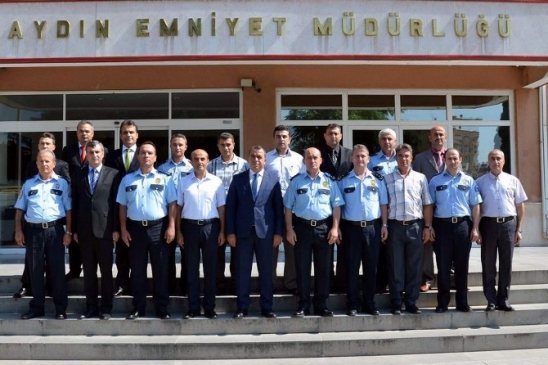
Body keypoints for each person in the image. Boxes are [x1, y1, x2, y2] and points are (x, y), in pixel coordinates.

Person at [116, 141, 176, 320]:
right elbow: (122, 206)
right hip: (135, 230)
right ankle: (138, 307)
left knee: (160, 270)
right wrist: (123, 228)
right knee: (137, 270)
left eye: (150, 153)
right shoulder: (127, 179)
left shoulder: (165, 178)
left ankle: (161, 307)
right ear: (138, 156)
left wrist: (172, 226)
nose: (146, 156)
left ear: (155, 157)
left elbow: (172, 204)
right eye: (143, 153)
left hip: (158, 228)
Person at [284, 147, 344, 317]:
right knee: (302, 268)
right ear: (304, 161)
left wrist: (335, 227)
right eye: (309, 158)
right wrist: (289, 229)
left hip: (323, 229)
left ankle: (321, 305)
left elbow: (336, 206)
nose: (312, 160)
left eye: (315, 157)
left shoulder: (329, 181)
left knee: (324, 269)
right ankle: (303, 305)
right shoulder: (296, 181)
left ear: (321, 160)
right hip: (301, 229)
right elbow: (287, 207)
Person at [226, 146, 283, 319]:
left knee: (266, 272)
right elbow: (230, 208)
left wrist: (278, 233)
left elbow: (278, 209)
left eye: (259, 157)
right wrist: (230, 232)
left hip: (266, 234)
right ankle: (242, 307)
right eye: (253, 156)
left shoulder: (273, 179)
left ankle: (267, 307)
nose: (256, 160)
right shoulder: (238, 179)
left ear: (265, 160)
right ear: (248, 158)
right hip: (242, 234)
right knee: (242, 272)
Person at [15, 150, 72, 320]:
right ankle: (37, 307)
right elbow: (20, 209)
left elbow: (69, 209)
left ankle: (60, 308)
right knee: (35, 270)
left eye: (48, 161)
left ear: (54, 164)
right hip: (33, 232)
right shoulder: (29, 184)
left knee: (57, 271)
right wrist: (18, 230)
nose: (45, 164)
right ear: (37, 164)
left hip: (55, 231)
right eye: (41, 161)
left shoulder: (62, 183)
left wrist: (68, 231)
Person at [72, 141, 122, 320]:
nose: (94, 155)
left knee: (107, 272)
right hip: (84, 232)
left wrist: (116, 228)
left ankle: (106, 308)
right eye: (91, 152)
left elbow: (117, 204)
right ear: (87, 154)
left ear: (103, 154)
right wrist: (74, 230)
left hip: (106, 230)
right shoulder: (78, 174)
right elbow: (75, 203)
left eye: (97, 152)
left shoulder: (114, 174)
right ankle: (91, 307)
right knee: (89, 272)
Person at [429, 148, 481, 313]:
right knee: (443, 265)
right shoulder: (435, 181)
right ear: (445, 160)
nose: (452, 161)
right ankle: (442, 303)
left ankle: (462, 302)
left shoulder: (469, 181)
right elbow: (429, 205)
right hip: (442, 226)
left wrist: (475, 228)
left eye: (455, 158)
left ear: (460, 160)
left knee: (461, 265)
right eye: (449, 158)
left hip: (462, 226)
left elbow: (476, 205)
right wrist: (428, 226)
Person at [338, 144, 388, 316]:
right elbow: (338, 206)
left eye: (363, 156)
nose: (360, 159)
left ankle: (369, 303)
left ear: (368, 159)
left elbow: (383, 205)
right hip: (351, 229)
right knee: (351, 268)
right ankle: (352, 303)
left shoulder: (378, 180)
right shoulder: (343, 180)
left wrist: (384, 225)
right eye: (357, 156)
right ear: (352, 159)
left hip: (372, 228)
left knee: (371, 268)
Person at [176, 149, 225, 320]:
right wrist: (178, 232)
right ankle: (193, 307)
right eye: (196, 159)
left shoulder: (216, 182)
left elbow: (221, 209)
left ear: (208, 160)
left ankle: (210, 307)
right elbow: (178, 208)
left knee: (211, 269)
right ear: (191, 161)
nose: (199, 162)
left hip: (210, 228)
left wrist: (223, 231)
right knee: (191, 269)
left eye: (202, 158)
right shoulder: (183, 182)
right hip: (189, 228)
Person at [385, 143, 433, 315]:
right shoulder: (388, 178)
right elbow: (384, 205)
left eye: (407, 156)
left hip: (415, 226)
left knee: (414, 266)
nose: (404, 159)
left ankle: (411, 301)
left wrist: (427, 226)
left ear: (412, 158)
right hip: (395, 227)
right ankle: (396, 302)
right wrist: (384, 225)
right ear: (396, 158)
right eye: (400, 156)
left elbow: (427, 203)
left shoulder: (420, 178)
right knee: (396, 265)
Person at [476, 149, 527, 312]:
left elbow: (520, 206)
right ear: (488, 161)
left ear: (504, 161)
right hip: (488, 225)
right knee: (488, 263)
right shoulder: (480, 182)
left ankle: (503, 299)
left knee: (506, 263)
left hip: (508, 225)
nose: (495, 161)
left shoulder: (513, 181)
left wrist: (518, 229)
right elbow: (476, 208)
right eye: (492, 158)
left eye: (498, 158)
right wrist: (476, 229)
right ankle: (491, 299)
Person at [207, 132, 249, 295]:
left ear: (234, 145)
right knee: (217, 252)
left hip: (238, 214)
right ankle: (218, 284)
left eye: (228, 144)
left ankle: (235, 284)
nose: (226, 147)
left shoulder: (244, 165)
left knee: (237, 251)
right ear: (218, 146)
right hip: (216, 214)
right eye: (222, 145)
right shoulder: (211, 165)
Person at [265, 125, 304, 295]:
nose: (281, 139)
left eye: (284, 136)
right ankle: (270, 283)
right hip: (271, 210)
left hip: (293, 210)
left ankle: (291, 283)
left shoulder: (298, 159)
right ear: (274, 138)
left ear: (290, 139)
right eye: (278, 136)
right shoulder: (266, 158)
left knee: (292, 247)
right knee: (270, 248)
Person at [106, 119, 140, 297]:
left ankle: (136, 284)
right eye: (125, 132)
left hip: (138, 210)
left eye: (131, 132)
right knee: (121, 252)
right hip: (118, 208)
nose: (128, 135)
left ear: (137, 135)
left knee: (137, 253)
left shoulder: (145, 154)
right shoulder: (112, 156)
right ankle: (121, 283)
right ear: (120, 135)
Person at [412, 125, 447, 293]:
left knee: (449, 246)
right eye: (435, 135)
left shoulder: (452, 156)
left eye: (441, 135)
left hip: (447, 209)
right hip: (426, 208)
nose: (438, 137)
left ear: (445, 137)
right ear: (430, 138)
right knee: (427, 245)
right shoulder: (419, 159)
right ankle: (427, 278)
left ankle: (450, 277)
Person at [319, 123, 353, 293]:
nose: (333, 137)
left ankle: (342, 283)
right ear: (325, 136)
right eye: (330, 134)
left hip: (347, 207)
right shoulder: (318, 155)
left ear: (341, 136)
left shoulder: (350, 154)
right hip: (324, 206)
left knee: (344, 248)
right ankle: (328, 283)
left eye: (336, 134)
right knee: (326, 249)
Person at [158, 133, 193, 296]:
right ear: (170, 146)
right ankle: (169, 287)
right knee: (167, 254)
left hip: (187, 215)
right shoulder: (162, 169)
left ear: (186, 147)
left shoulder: (192, 167)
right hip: (168, 215)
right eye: (174, 144)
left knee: (187, 254)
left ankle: (186, 287)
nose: (177, 147)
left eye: (180, 144)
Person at [62, 120, 97, 281]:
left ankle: (94, 268)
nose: (84, 134)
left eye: (87, 131)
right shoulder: (68, 150)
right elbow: (64, 170)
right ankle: (75, 269)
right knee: (75, 235)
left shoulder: (100, 149)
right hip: (75, 197)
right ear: (76, 133)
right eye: (81, 131)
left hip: (94, 199)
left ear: (92, 133)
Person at [368, 128, 398, 295]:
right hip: (379, 212)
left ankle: (394, 284)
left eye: (390, 139)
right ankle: (379, 284)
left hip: (398, 212)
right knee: (379, 252)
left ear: (395, 141)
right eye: (384, 139)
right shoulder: (372, 161)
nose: (387, 142)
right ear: (380, 142)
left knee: (394, 253)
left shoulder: (401, 159)